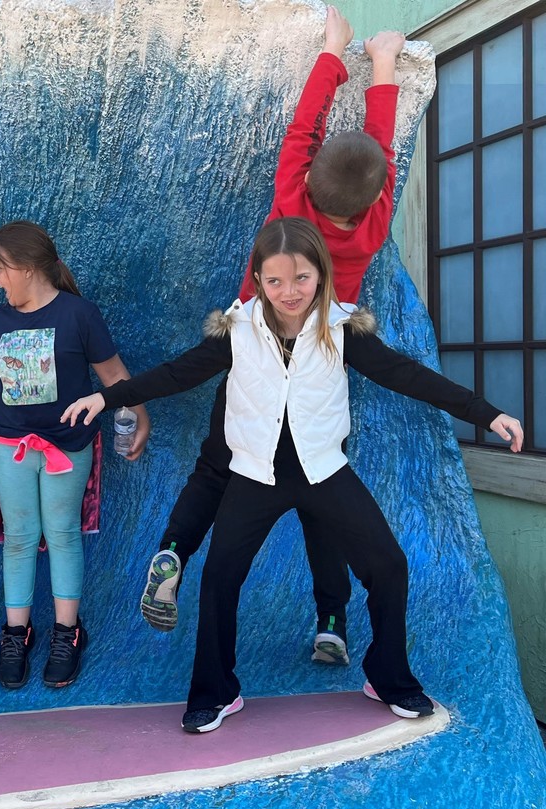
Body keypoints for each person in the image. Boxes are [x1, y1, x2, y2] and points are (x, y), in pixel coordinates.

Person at [63, 216, 523, 732]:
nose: (289, 291)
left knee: (389, 565)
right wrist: (106, 396)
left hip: (323, 470)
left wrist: (487, 414)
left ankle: (389, 677)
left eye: (301, 279)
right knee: (219, 578)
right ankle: (216, 692)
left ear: (321, 277)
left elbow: (408, 375)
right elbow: (175, 374)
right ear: (258, 279)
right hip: (256, 473)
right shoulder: (237, 331)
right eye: (275, 280)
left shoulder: (342, 328)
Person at [140, 6, 405, 671]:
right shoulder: (372, 224)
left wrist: (333, 53)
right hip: (319, 353)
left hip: (253, 343)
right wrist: (382, 66)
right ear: (374, 200)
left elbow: (302, 132)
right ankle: (332, 619)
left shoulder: (291, 206)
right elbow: (381, 148)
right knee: (323, 486)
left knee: (217, 459)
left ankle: (175, 547)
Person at [0, 220, 150, 690]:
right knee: (19, 537)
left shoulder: (79, 314)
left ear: (27, 267)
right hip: (9, 446)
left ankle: (68, 632)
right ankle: (17, 632)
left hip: (68, 446)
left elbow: (114, 376)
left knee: (63, 532)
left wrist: (140, 413)